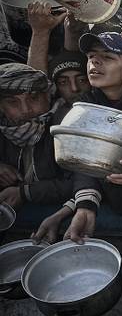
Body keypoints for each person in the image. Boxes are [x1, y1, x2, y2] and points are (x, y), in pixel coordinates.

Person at [33, 31, 122, 244]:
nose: (94, 61)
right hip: (102, 191)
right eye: (91, 56)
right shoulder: (87, 102)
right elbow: (84, 161)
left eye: (107, 57)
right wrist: (84, 205)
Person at [0, 63, 71, 209]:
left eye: (33, 98)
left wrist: (26, 192)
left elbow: (82, 181)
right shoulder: (3, 127)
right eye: (12, 102)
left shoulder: (66, 123)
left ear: (47, 96)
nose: (26, 110)